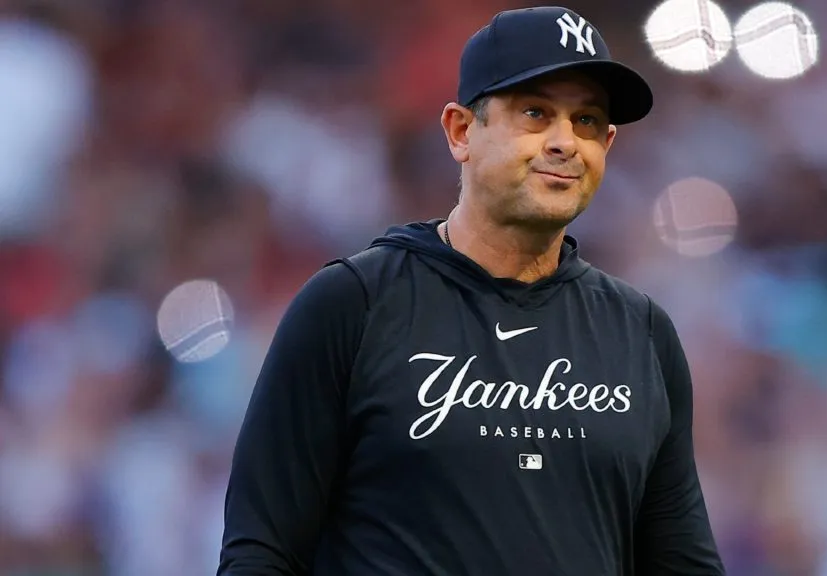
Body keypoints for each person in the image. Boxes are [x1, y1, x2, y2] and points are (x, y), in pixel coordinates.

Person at [218, 6, 725, 575]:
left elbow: (683, 563)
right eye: (535, 113)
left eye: (586, 122)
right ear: (462, 131)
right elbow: (260, 552)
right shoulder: (352, 306)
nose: (565, 142)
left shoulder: (642, 333)